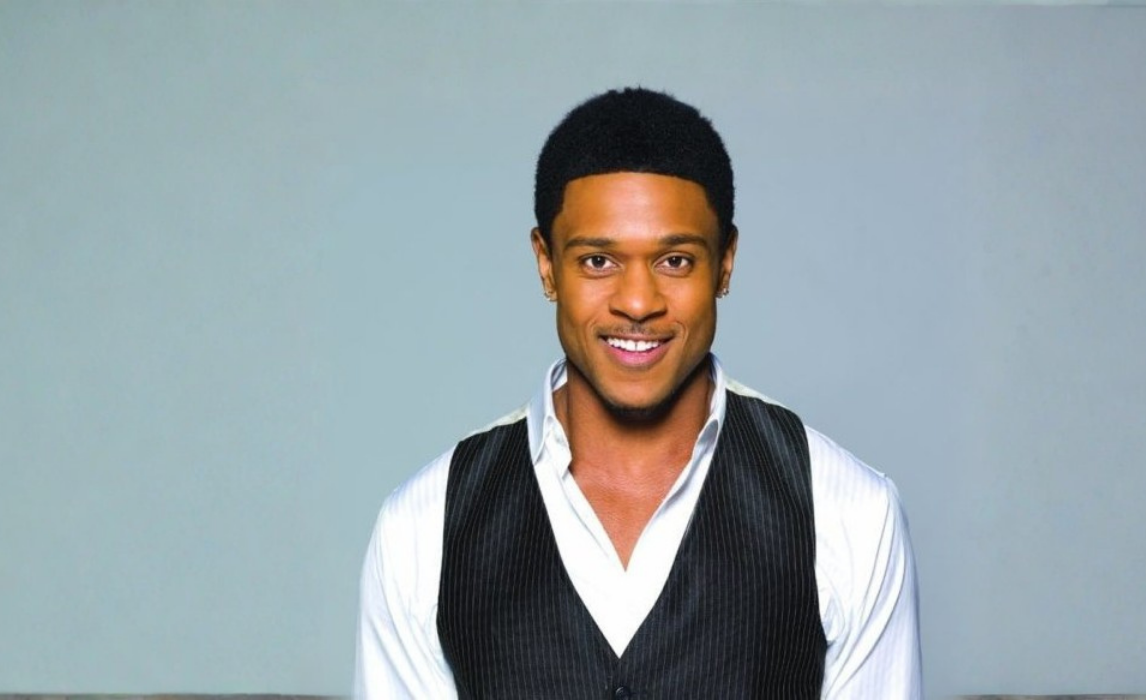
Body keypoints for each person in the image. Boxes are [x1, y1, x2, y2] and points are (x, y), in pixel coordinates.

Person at [353, 87, 922, 699]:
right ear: (546, 264)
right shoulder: (425, 526)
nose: (637, 302)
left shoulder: (848, 513)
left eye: (675, 260)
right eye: (598, 261)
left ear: (725, 263)